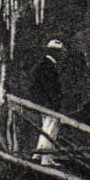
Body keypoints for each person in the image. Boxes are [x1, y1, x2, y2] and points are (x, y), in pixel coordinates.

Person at [28, 38, 64, 166]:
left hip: (45, 103)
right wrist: (54, 103)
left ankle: (38, 155)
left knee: (46, 128)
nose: (61, 54)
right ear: (54, 52)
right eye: (59, 52)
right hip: (49, 104)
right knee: (50, 129)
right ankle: (46, 158)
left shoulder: (45, 64)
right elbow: (50, 87)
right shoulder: (48, 66)